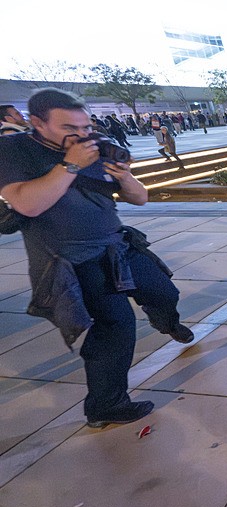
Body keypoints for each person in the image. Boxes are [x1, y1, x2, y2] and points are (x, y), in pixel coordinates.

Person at [0, 89, 194, 429]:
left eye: (86, 126)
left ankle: (166, 321)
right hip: (72, 259)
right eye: (69, 128)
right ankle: (107, 405)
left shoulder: (97, 145)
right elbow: (26, 204)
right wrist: (71, 164)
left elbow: (140, 198)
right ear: (37, 123)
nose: (82, 135)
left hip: (118, 246)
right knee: (115, 326)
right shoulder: (15, 150)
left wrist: (124, 176)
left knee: (164, 291)